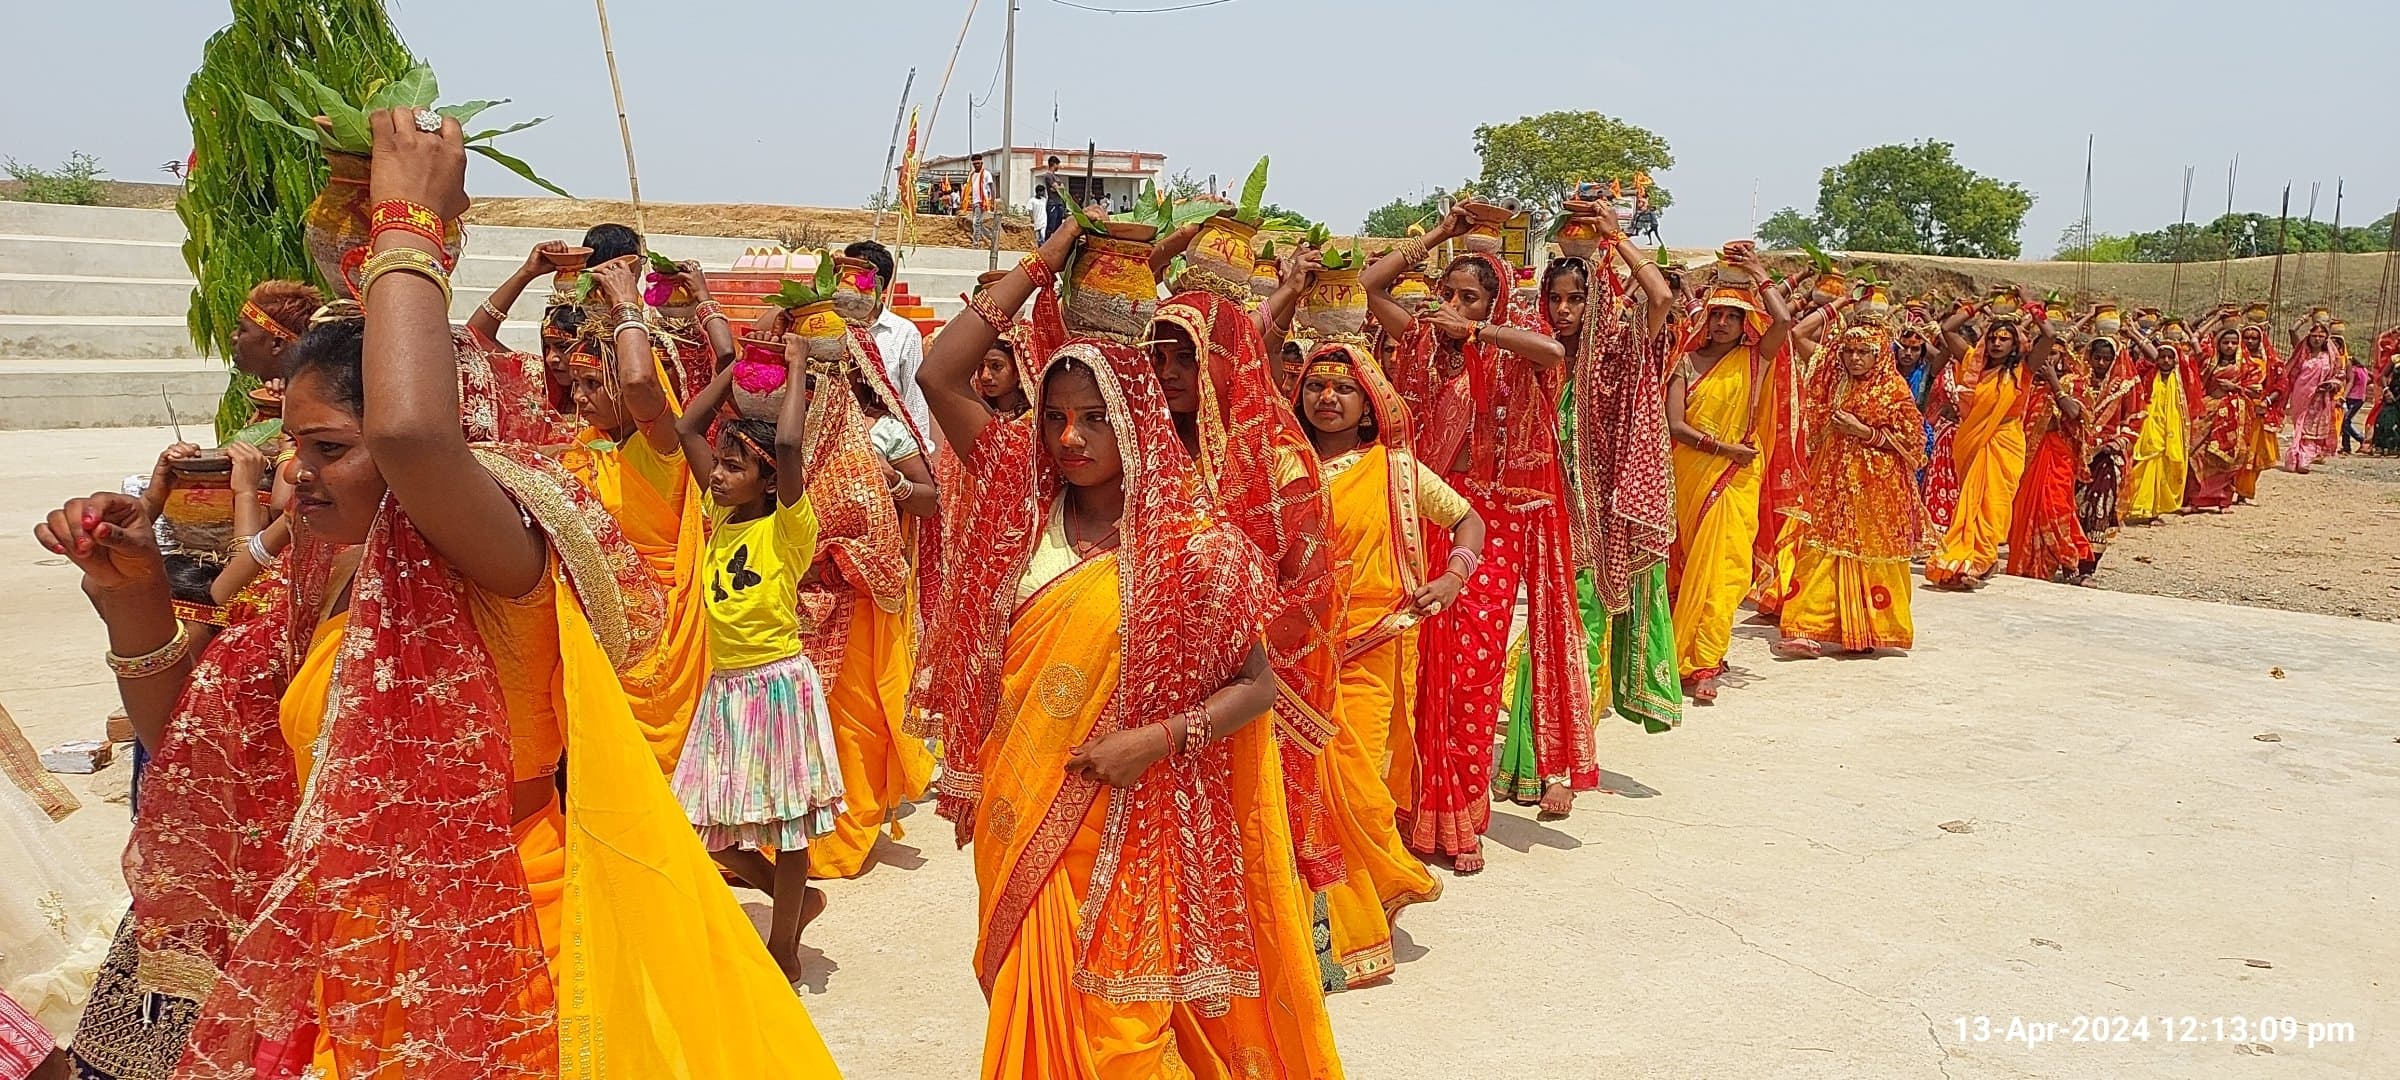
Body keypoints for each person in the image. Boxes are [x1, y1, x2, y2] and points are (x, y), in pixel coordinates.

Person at [38, 110, 840, 1076]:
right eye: (292, 448)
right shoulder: (316, 578)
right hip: (343, 962)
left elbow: (417, 437)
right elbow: (201, 748)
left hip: (502, 957)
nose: (294, 477)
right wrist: (131, 603)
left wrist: (409, 219)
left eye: (329, 449)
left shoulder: (496, 553)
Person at [914, 216, 1340, 1079]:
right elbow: (938, 370)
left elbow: (1257, 687)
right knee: (1032, 1012)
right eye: (1058, 420)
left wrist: (1156, 740)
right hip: (1021, 802)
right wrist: (1050, 254)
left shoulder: (1195, 544)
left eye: (1093, 421)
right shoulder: (1020, 507)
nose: (1069, 438)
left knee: (1123, 1037)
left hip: (1133, 820)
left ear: (1136, 424)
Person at [1364, 205, 1591, 868]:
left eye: (1469, 295)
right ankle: (1406, 811)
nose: (1452, 306)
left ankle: (1459, 819)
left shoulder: (1507, 355)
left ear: (1492, 303)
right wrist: (1435, 237)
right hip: (1418, 519)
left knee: (1468, 679)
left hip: (1483, 529)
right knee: (1413, 670)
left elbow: (1553, 349)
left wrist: (1481, 330)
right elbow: (1373, 287)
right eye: (1448, 294)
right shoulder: (1417, 342)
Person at [1293, 341, 1479, 987]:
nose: (1327, 398)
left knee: (1362, 788)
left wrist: (1455, 577)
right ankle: (1314, 922)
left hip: (1373, 648)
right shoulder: (1281, 467)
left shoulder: (1398, 471)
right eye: (1316, 385)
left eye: (1342, 389)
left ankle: (1366, 916)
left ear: (1369, 402)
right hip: (1297, 658)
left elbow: (1467, 521)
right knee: (1306, 790)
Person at [670, 342, 846, 977]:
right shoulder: (720, 516)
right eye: (718, 465)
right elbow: (688, 425)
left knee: (789, 824)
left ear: (770, 478)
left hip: (776, 687)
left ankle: (785, 946)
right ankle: (792, 900)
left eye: (734, 467)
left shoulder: (788, 528)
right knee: (694, 820)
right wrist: (735, 366)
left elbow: (793, 447)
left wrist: (797, 367)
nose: (716, 475)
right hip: (726, 690)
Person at [1513, 199, 1680, 751]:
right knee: (1549, 635)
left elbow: (1659, 298)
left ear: (1595, 301)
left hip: (1596, 522)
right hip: (1545, 518)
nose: (1563, 310)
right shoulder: (1534, 357)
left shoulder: (1615, 352)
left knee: (1579, 634)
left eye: (1575, 299)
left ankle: (1563, 752)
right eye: (1554, 299)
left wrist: (1616, 240)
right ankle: (1544, 750)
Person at [554, 255, 714, 772]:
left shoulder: (661, 449)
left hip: (660, 630)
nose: (578, 398)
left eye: (592, 385)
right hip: (600, 628)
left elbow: (643, 384)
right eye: (575, 386)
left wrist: (627, 305)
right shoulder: (587, 446)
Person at [797, 344, 940, 880]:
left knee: (854, 719)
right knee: (806, 717)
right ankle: (795, 834)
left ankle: (848, 830)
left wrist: (892, 481)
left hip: (861, 597)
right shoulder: (786, 442)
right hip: (797, 598)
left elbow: (928, 500)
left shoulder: (883, 432)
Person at [1663, 250, 1794, 704]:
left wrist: (1759, 275)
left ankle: (1704, 662)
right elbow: (1675, 426)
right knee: (1685, 565)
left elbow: (1782, 324)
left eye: (1731, 317)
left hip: (1736, 481)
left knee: (1724, 573)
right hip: (1692, 472)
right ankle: (1675, 653)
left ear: (1744, 324)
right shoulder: (1684, 362)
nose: (1721, 323)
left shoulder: (1755, 360)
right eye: (1715, 314)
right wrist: (1724, 449)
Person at [1773, 323, 1931, 656]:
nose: (1854, 359)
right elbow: (1799, 342)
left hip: (1877, 488)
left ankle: (1867, 629)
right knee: (1819, 547)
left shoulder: (1894, 389)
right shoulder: (1837, 384)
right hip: (1833, 482)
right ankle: (1807, 626)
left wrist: (1865, 432)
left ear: (1879, 356)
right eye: (1848, 351)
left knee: (1869, 554)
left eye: (1863, 353)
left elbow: (1915, 445)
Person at [1924, 293, 2052, 589]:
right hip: (1972, 440)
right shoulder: (1972, 363)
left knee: (1993, 503)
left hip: (2005, 441)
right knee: (1970, 503)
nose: (1996, 343)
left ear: (2015, 343)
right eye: (1993, 337)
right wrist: (1979, 303)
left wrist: (2029, 304)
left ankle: (1981, 560)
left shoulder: (2025, 368)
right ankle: (1968, 558)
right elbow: (1948, 330)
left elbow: (2049, 334)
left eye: (2004, 339)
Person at [2002, 337, 2093, 581]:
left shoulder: (2073, 383)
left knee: (2056, 507)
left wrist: (2054, 382)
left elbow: (2075, 413)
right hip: (2027, 456)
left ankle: (2070, 563)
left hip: (2057, 455)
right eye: (2045, 353)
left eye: (2054, 353)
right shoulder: (2026, 382)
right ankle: (2027, 565)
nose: (2048, 358)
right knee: (2024, 509)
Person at [845, 239, 935, 443]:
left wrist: (921, 448)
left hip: (888, 439)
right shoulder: (828, 326)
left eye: (855, 276)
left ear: (878, 284)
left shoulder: (904, 332)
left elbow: (914, 397)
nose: (846, 282)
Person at [2186, 326, 2261, 511]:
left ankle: (2223, 500)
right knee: (2196, 452)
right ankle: (2195, 500)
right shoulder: (2209, 363)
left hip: (2235, 414)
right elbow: (2197, 381)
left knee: (2230, 456)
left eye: (2234, 343)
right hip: (2209, 409)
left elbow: (2256, 390)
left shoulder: (2248, 366)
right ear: (2218, 344)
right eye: (2225, 342)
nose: (2230, 346)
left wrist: (2235, 388)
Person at [2282, 315, 2342, 473]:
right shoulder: (2302, 352)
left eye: (2321, 336)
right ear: (2309, 337)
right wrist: (2304, 318)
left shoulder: (2331, 356)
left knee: (2311, 428)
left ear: (2326, 338)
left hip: (2320, 397)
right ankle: (2295, 456)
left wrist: (2331, 385)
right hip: (2301, 395)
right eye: (2314, 336)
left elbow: (2339, 375)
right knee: (2300, 426)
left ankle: (2303, 459)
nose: (2317, 339)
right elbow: (2292, 330)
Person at [2342, 333, 2373, 453]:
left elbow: (2349, 382)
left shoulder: (2353, 370)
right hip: (2361, 398)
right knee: (2346, 421)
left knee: (2345, 421)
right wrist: (2363, 386)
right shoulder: (2364, 369)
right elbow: (2373, 378)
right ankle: (2346, 446)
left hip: (2352, 397)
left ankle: (2361, 439)